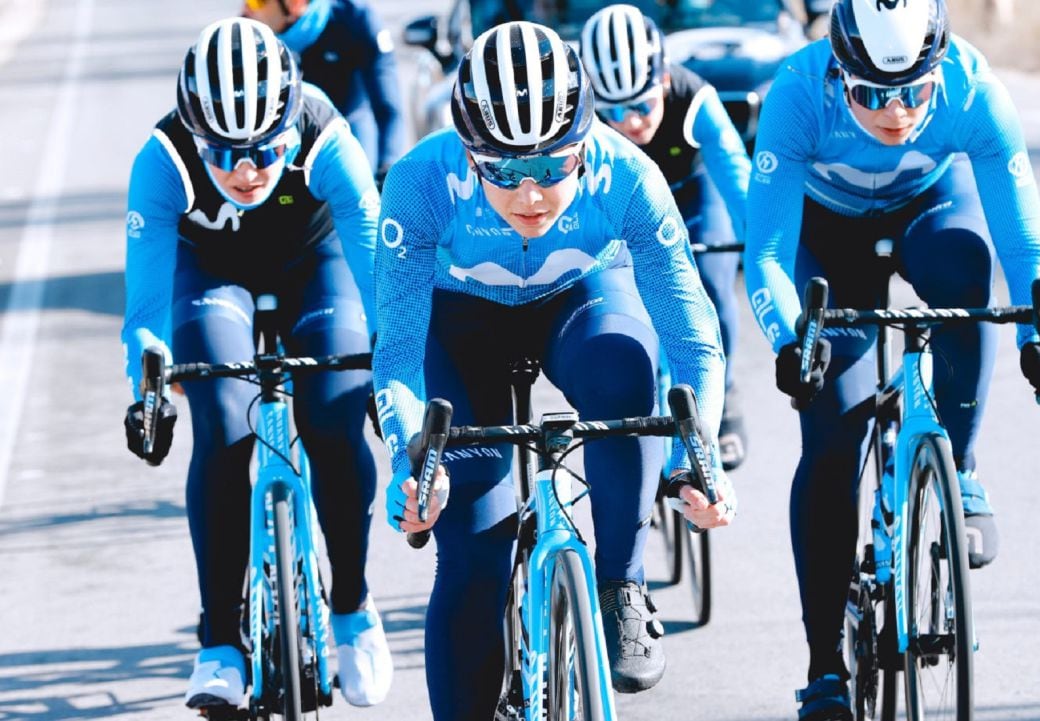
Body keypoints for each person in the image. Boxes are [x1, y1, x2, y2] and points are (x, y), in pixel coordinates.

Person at [372, 20, 737, 721]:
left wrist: (702, 454)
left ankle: (621, 586)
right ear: (469, 154)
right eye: (505, 170)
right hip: (461, 325)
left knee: (625, 367)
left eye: (553, 165)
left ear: (585, 144)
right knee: (474, 560)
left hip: (580, 304)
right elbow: (395, 356)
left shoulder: (627, 174)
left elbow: (693, 340)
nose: (532, 193)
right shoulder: (420, 182)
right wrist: (409, 457)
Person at [742, 0, 1040, 718]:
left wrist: (1038, 335)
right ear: (839, 72)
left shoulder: (973, 86)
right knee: (833, 434)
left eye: (913, 91)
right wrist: (788, 338)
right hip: (825, 237)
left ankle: (958, 463)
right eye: (870, 93)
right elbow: (767, 253)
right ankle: (824, 666)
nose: (894, 112)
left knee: (967, 263)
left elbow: (1024, 244)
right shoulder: (797, 92)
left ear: (938, 69)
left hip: (929, 210)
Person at [120, 17, 393, 710]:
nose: (247, 171)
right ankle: (218, 642)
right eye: (225, 153)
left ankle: (354, 610)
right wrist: (148, 387)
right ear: (193, 133)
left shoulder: (330, 138)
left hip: (317, 265)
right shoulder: (162, 159)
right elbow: (147, 307)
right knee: (221, 426)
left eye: (267, 151)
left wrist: (393, 379)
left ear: (291, 126)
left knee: (334, 419)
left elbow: (383, 288)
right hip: (213, 276)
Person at [579, 3, 753, 470]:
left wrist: (761, 238)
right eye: (613, 110)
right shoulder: (582, 122)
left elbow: (738, 178)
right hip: (626, 210)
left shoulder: (695, 98)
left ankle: (725, 384)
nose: (631, 122)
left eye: (641, 105)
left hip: (694, 198)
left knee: (713, 283)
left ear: (664, 80)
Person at [241, 0, 407, 187]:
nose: (246, 7)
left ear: (295, 4)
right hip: (286, 139)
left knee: (359, 181)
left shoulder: (355, 19)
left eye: (257, 2)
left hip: (351, 123)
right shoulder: (248, 30)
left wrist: (388, 170)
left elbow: (389, 109)